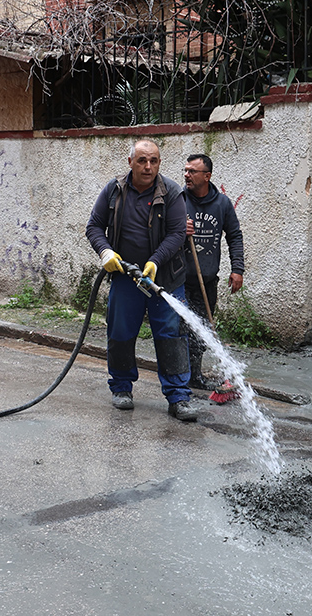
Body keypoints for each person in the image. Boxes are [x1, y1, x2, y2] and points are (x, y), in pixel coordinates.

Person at [86, 139, 197, 422]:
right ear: (130, 162)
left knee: (171, 337)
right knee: (120, 333)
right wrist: (105, 251)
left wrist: (155, 261)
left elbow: (176, 233)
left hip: (166, 278)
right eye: (142, 161)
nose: (148, 167)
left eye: (154, 161)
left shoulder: (172, 192)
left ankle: (178, 397)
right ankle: (122, 388)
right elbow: (94, 226)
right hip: (126, 278)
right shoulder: (114, 190)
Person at [181, 153, 245, 397]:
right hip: (180, 279)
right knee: (182, 328)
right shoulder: (177, 200)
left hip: (207, 279)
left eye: (192, 171)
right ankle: (180, 376)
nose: (186, 175)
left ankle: (194, 375)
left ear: (206, 176)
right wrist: (179, 227)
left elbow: (234, 236)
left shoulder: (222, 204)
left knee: (203, 329)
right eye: (185, 170)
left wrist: (237, 269)